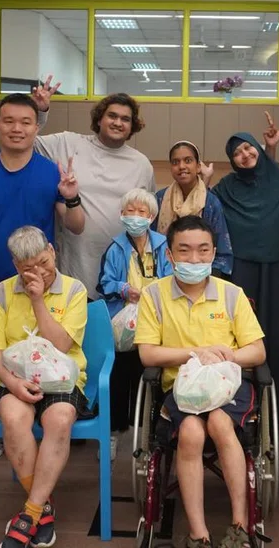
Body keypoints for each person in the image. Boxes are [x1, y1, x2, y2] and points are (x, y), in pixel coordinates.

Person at [0, 93, 85, 461]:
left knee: (48, 357)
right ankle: (2, 426)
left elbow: (76, 226)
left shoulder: (50, 171)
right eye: (9, 121)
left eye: (25, 122)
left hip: (44, 290)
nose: (17, 128)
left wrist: (71, 197)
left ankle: (46, 421)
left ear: (37, 127)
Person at [134, 215, 267, 548]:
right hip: (183, 388)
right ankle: (199, 533)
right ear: (169, 255)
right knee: (191, 433)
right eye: (184, 250)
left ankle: (240, 525)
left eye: (203, 250)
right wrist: (196, 354)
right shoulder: (154, 296)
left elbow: (258, 351)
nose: (194, 259)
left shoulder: (231, 294)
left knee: (221, 423)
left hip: (227, 384)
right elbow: (148, 354)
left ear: (213, 253)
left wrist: (226, 356)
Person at [0, 226, 90, 548]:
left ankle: (30, 512)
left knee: (59, 418)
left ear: (52, 251)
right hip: (15, 377)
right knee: (13, 417)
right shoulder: (1, 293)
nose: (40, 272)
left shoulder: (74, 290)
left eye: (44, 262)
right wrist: (12, 383)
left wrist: (38, 300)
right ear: (16, 266)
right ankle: (43, 510)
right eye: (29, 268)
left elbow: (62, 344)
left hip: (61, 377)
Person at [213, 131, 279, 426]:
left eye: (248, 148)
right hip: (241, 275)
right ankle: (240, 407)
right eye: (237, 153)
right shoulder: (225, 189)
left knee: (277, 338)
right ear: (232, 161)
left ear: (257, 148)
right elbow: (209, 216)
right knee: (241, 337)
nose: (244, 155)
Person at [35, 92, 157, 299]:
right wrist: (41, 112)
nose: (118, 123)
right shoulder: (69, 143)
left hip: (123, 272)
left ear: (132, 126)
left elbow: (148, 214)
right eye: (112, 116)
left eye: (125, 119)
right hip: (76, 265)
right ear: (99, 119)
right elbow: (27, 140)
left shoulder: (141, 164)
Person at [97, 188, 173, 460]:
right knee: (118, 378)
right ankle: (112, 434)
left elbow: (172, 279)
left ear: (151, 217)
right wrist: (124, 289)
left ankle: (148, 436)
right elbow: (103, 283)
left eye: (142, 212)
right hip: (122, 322)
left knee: (150, 376)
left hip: (155, 320)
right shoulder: (115, 247)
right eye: (131, 211)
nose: (136, 216)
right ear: (122, 214)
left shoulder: (163, 246)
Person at [154, 140, 233, 278]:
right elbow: (151, 241)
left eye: (188, 160)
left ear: (198, 167)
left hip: (202, 274)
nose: (181, 166)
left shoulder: (210, 202)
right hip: (164, 272)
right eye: (175, 162)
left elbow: (221, 250)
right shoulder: (160, 198)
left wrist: (206, 278)